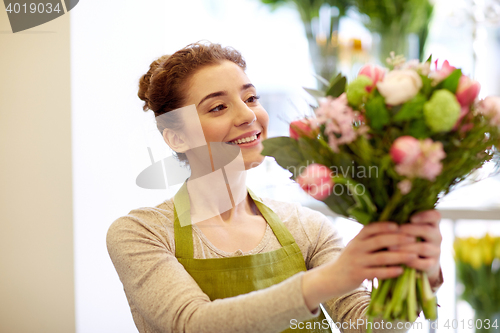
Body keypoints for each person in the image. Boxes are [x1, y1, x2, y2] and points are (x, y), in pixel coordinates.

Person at [106, 42, 443, 333]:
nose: (248, 115)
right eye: (218, 107)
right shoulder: (141, 233)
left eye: (251, 98)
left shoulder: (307, 227)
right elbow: (194, 324)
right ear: (177, 137)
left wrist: (413, 281)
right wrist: (331, 278)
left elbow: (364, 325)